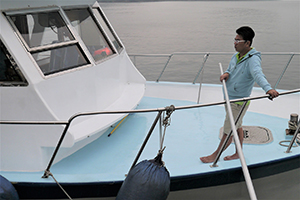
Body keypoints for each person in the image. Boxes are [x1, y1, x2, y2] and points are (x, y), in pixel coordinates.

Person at [200, 26, 279, 163]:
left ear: (247, 43)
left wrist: (268, 89)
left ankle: (215, 156)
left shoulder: (253, 59)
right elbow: (231, 68)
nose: (235, 43)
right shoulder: (236, 55)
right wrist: (226, 73)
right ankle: (238, 153)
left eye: (238, 41)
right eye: (234, 40)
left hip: (238, 102)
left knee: (228, 130)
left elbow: (258, 74)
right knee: (237, 126)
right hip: (229, 98)